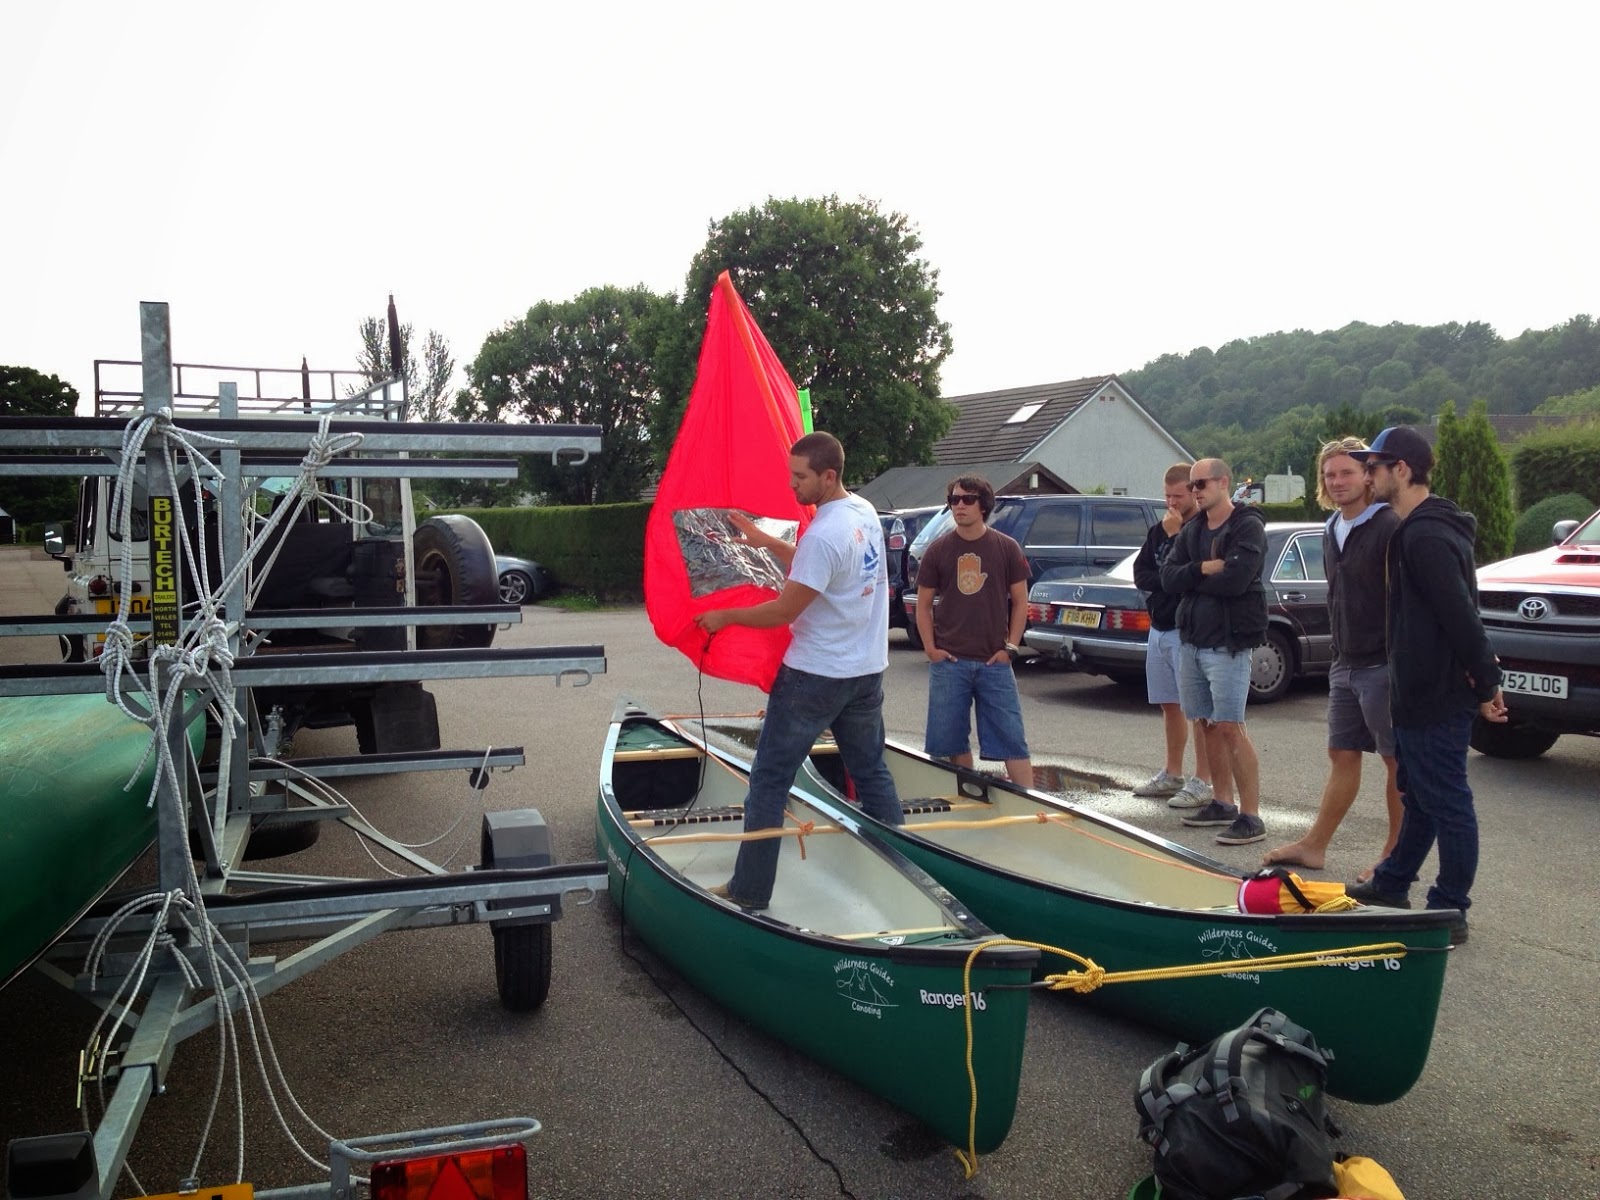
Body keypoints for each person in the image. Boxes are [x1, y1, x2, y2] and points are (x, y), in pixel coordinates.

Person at [694, 431, 903, 909]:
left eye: (800, 477)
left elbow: (785, 610)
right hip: (865, 672)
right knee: (871, 772)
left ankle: (749, 892)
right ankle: (906, 877)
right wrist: (766, 541)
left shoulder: (826, 533)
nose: (792, 485)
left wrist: (725, 617)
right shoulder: (863, 513)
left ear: (828, 476)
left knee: (769, 781)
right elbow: (820, 571)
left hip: (814, 676)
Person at [1347, 426, 1506, 945]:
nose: (1367, 476)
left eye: (1374, 467)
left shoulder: (1426, 536)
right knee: (1419, 797)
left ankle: (1449, 908)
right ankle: (1393, 884)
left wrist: (1487, 683)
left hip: (1436, 694)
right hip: (1417, 692)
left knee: (1448, 802)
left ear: (1402, 469)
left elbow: (1460, 616)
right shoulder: (1416, 529)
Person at [1264, 438, 1403, 877]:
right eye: (1330, 474)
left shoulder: (1389, 524)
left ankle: (1394, 857)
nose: (1338, 481)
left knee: (1397, 761)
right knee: (1342, 752)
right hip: (1344, 663)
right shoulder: (1330, 527)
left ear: (1367, 475)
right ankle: (1314, 846)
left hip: (1385, 663)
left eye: (1347, 472)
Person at [1158, 458, 1269, 846]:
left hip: (1228, 644)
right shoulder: (1193, 530)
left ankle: (1251, 815)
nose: (1195, 491)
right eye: (1191, 485)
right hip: (1192, 642)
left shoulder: (1246, 526)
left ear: (1223, 482)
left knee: (1230, 726)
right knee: (1206, 724)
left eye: (1201, 484)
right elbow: (1167, 578)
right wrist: (1204, 569)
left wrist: (1190, 576)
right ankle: (1222, 802)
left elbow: (1236, 581)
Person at [914, 474, 1033, 787]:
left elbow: (1021, 602)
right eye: (954, 500)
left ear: (984, 506)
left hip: (995, 662)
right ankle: (967, 796)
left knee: (1012, 739)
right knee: (951, 742)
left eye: (968, 499)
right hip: (950, 663)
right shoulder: (938, 550)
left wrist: (1011, 648)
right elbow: (923, 605)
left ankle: (1033, 806)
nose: (960, 506)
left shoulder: (1006, 547)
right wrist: (931, 649)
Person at [1131, 462, 1214, 808]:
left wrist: (1174, 538)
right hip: (1159, 626)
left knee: (1198, 709)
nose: (1171, 503)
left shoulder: (1201, 530)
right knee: (1169, 704)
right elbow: (1142, 574)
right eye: (1167, 496)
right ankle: (1173, 772)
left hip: (1187, 630)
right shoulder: (1159, 529)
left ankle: (1203, 779)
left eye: (1178, 496)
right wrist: (1168, 576)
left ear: (1194, 492)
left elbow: (1187, 575)